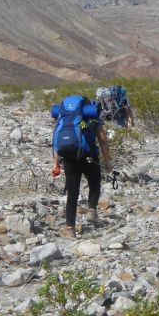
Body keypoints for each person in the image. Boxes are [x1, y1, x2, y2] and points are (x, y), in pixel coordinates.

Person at [51, 95, 111, 238]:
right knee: (95, 185)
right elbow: (102, 140)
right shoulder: (94, 117)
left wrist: (56, 164)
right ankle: (91, 211)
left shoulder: (63, 119)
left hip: (69, 159)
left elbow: (56, 142)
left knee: (72, 194)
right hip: (90, 157)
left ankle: (70, 228)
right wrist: (108, 162)